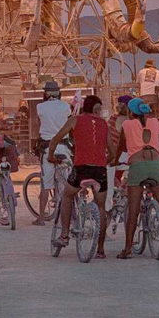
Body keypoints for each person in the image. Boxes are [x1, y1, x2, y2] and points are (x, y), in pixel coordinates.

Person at [49, 95, 116, 258]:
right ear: (96, 109)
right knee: (101, 207)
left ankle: (64, 235)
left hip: (81, 168)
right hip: (100, 170)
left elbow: (56, 139)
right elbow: (112, 152)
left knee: (67, 195)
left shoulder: (75, 120)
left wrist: (51, 156)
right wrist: (102, 162)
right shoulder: (104, 124)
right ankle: (100, 249)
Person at [117, 98, 159, 259]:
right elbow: (158, 145)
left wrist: (113, 160)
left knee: (133, 209)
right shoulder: (155, 123)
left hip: (138, 166)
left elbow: (120, 148)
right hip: (155, 165)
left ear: (131, 112)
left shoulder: (127, 125)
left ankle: (127, 249)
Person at [32, 81, 71, 226]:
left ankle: (41, 218)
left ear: (46, 93)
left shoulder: (40, 107)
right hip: (64, 147)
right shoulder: (66, 106)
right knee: (65, 183)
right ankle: (68, 216)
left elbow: (39, 124)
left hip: (48, 147)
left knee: (46, 184)